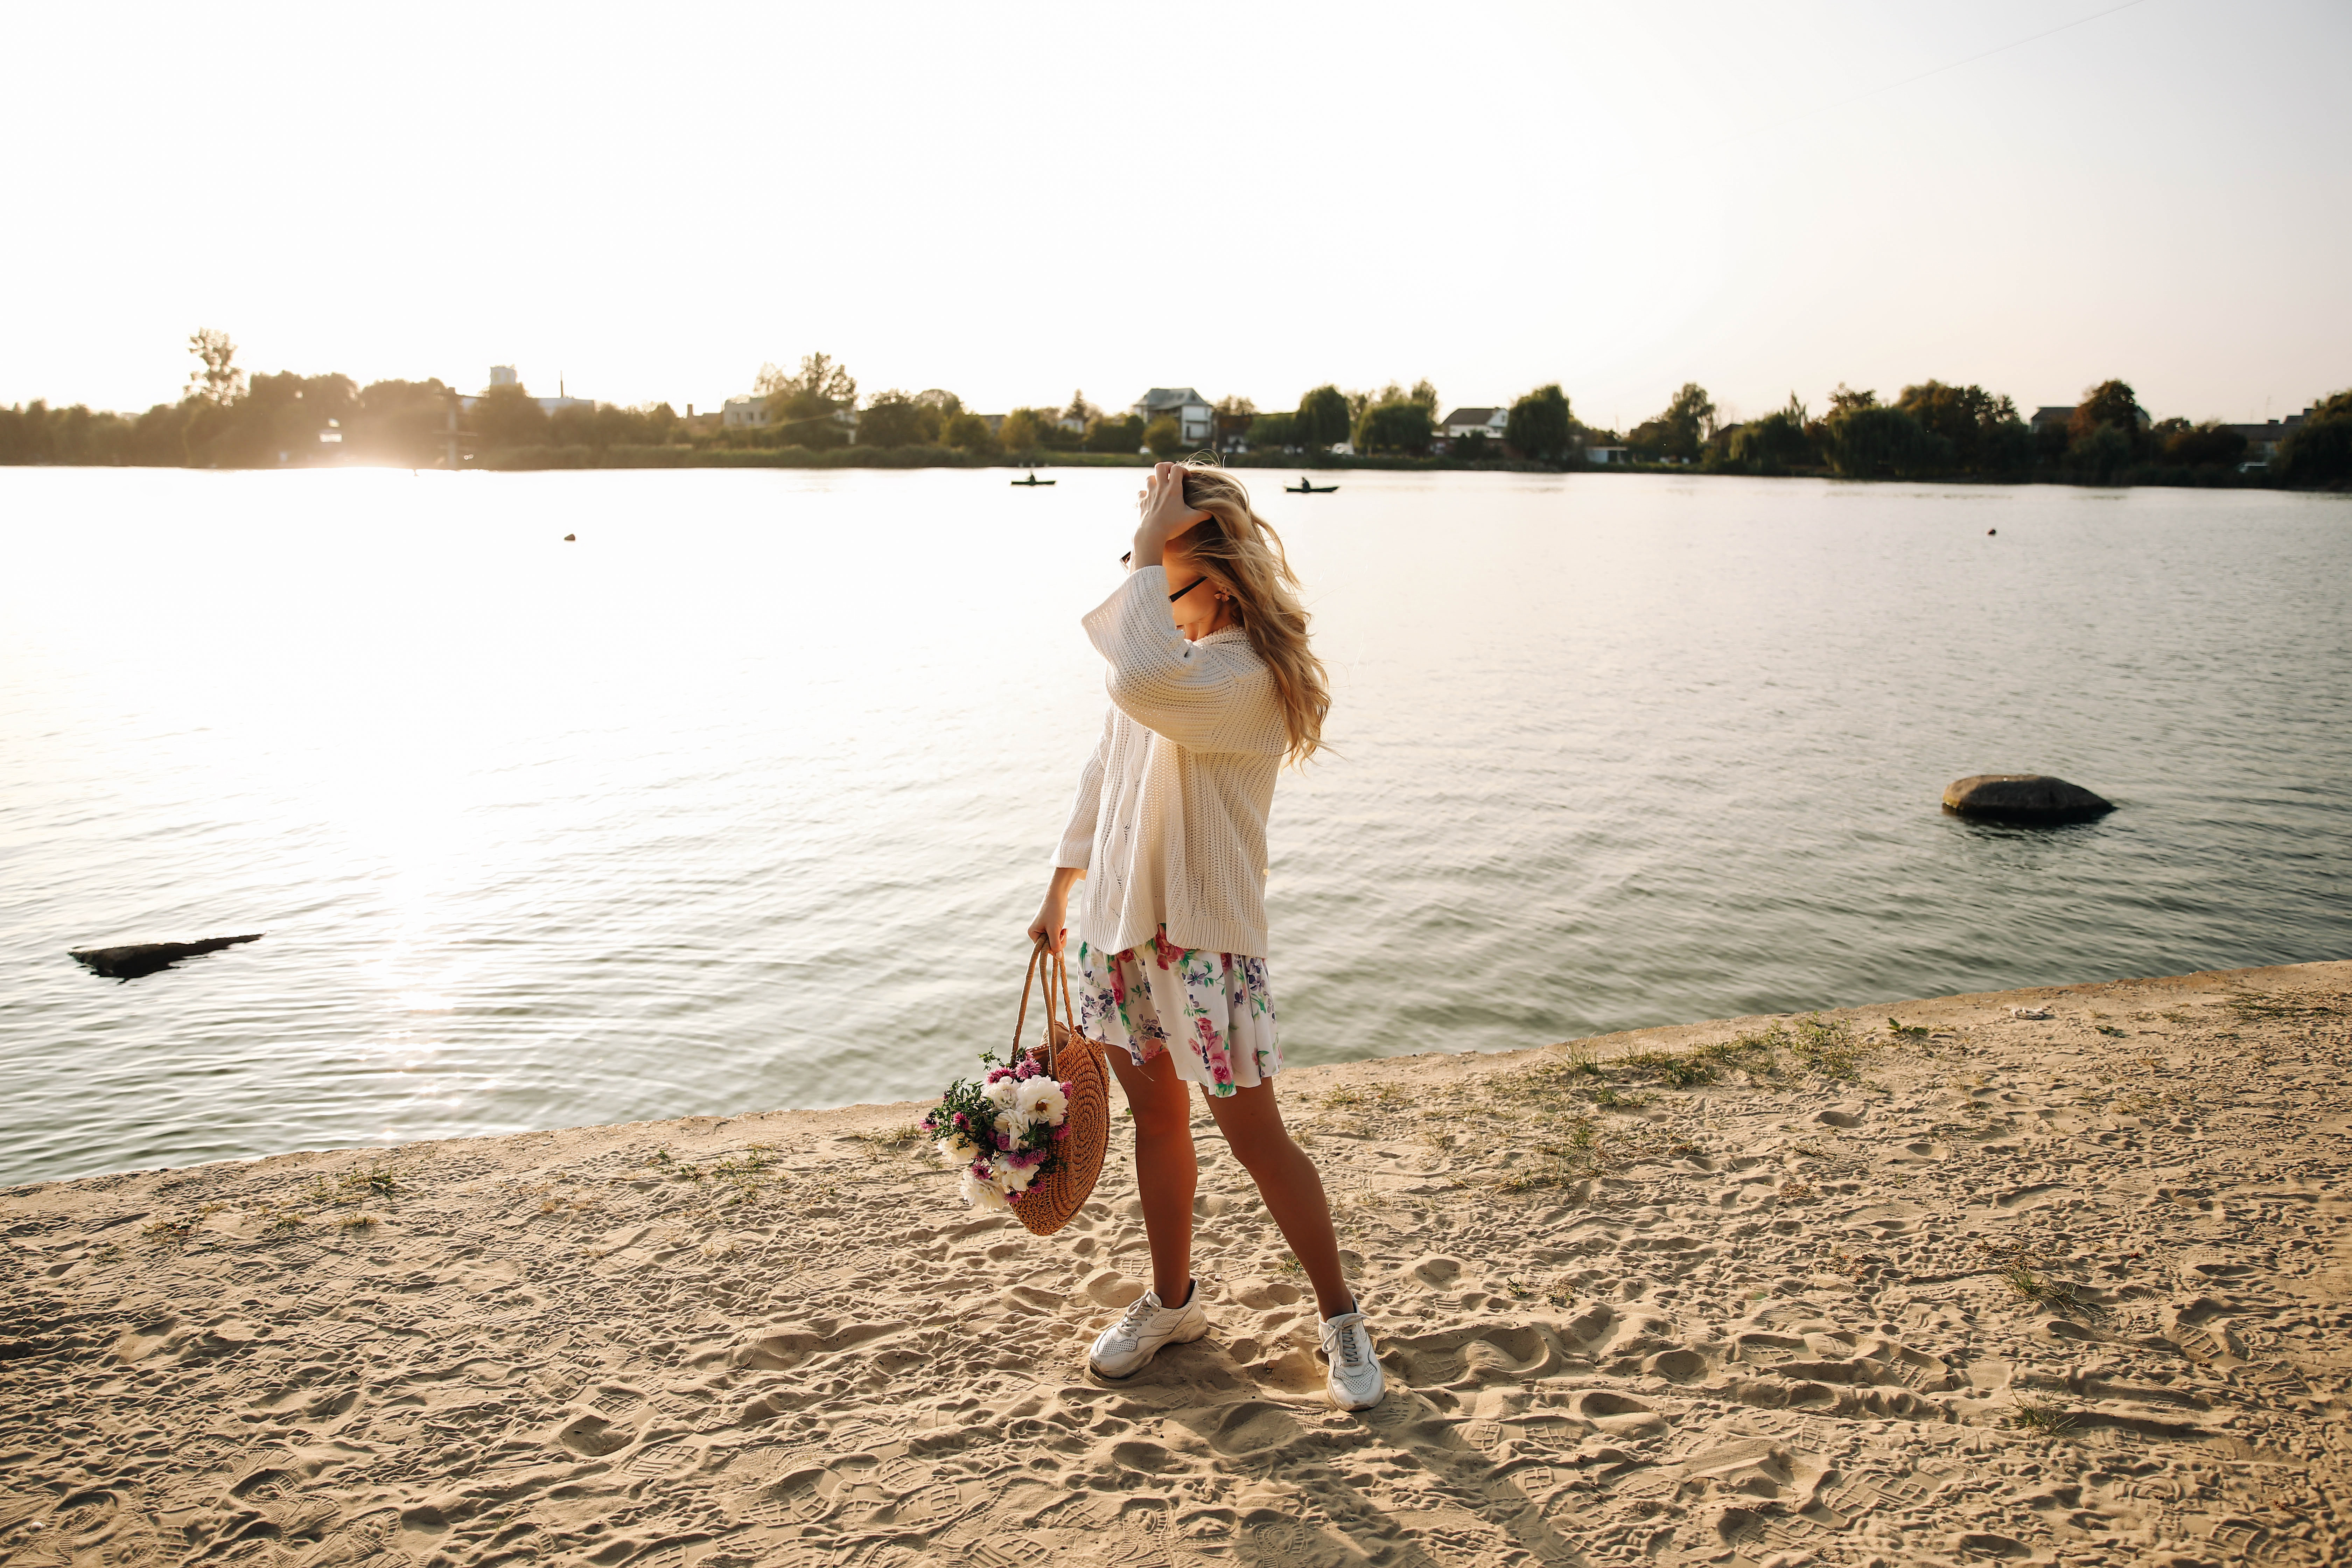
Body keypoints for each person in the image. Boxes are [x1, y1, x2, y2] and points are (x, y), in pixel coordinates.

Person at [1027, 458, 1384, 1412]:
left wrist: (1149, 536)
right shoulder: (1168, 676)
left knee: (1261, 1140)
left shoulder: (1242, 679)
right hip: (1123, 935)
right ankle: (1174, 1299)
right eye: (1136, 565)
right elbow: (1102, 780)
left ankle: (1341, 1314)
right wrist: (1061, 890)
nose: (1140, 586)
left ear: (1216, 580)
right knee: (1159, 1124)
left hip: (1206, 949)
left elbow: (1141, 677)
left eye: (1158, 572)